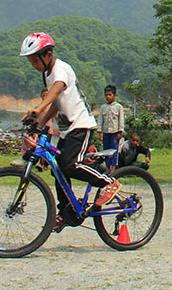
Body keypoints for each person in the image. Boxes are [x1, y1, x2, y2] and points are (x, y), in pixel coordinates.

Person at [19, 32, 119, 231]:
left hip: (81, 125)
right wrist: (40, 123)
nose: (33, 65)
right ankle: (66, 211)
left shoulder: (60, 69)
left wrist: (38, 108)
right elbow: (56, 103)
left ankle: (109, 182)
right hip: (67, 130)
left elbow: (56, 90)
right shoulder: (47, 75)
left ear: (47, 55)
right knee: (58, 170)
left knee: (69, 164)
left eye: (34, 60)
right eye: (30, 61)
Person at [98, 84, 124, 172]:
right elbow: (100, 120)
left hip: (114, 132)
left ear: (114, 95)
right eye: (106, 95)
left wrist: (120, 132)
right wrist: (100, 132)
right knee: (106, 150)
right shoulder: (103, 107)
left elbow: (121, 120)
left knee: (114, 150)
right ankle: (107, 167)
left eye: (110, 95)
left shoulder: (118, 107)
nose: (108, 97)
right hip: (106, 132)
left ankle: (113, 167)